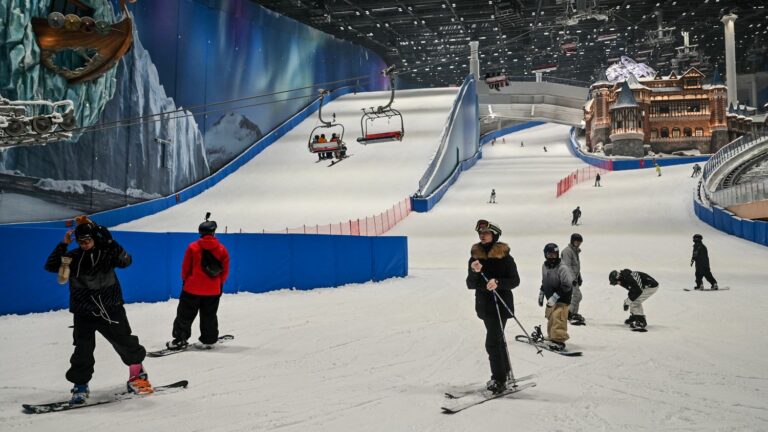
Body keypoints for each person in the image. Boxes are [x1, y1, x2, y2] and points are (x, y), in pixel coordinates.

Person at [44, 216, 152, 405]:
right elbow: (51, 266)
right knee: (82, 350)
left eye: (88, 240)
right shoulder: (72, 257)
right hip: (83, 312)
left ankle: (138, 376)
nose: (85, 244)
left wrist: (110, 241)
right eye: (81, 241)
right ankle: (80, 386)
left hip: (110, 308)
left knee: (125, 342)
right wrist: (63, 244)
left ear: (95, 238)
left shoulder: (107, 253)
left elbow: (126, 261)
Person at [466, 220, 520, 394]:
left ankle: (499, 379)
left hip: (500, 306)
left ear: (494, 235)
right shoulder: (475, 257)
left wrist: (497, 282)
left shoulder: (505, 257)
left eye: (486, 233)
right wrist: (475, 273)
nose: (482, 235)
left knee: (492, 342)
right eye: (480, 233)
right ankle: (503, 373)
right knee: (497, 340)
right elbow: (470, 284)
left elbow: (515, 281)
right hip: (484, 306)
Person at [166, 213, 230, 351]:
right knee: (209, 315)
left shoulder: (193, 247)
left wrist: (186, 280)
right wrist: (218, 284)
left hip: (192, 289)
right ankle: (209, 340)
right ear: (213, 232)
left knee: (185, 315)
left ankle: (180, 339)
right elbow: (224, 271)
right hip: (213, 290)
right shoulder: (222, 249)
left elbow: (185, 269)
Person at [538, 243, 574, 351]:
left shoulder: (562, 268)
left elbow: (567, 285)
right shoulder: (544, 266)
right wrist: (541, 292)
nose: (552, 257)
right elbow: (545, 281)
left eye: (554, 255)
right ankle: (552, 336)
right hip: (550, 299)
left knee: (558, 317)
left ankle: (559, 340)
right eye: (549, 255)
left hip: (562, 299)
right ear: (545, 255)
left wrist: (555, 296)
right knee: (551, 317)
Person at [562, 233, 584, 325]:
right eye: (576, 241)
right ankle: (570, 313)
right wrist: (572, 279)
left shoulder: (574, 252)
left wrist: (579, 276)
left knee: (576, 296)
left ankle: (573, 313)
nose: (578, 243)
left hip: (573, 278)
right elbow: (567, 267)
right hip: (568, 278)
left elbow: (575, 267)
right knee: (577, 295)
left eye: (580, 242)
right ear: (572, 241)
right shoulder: (567, 251)